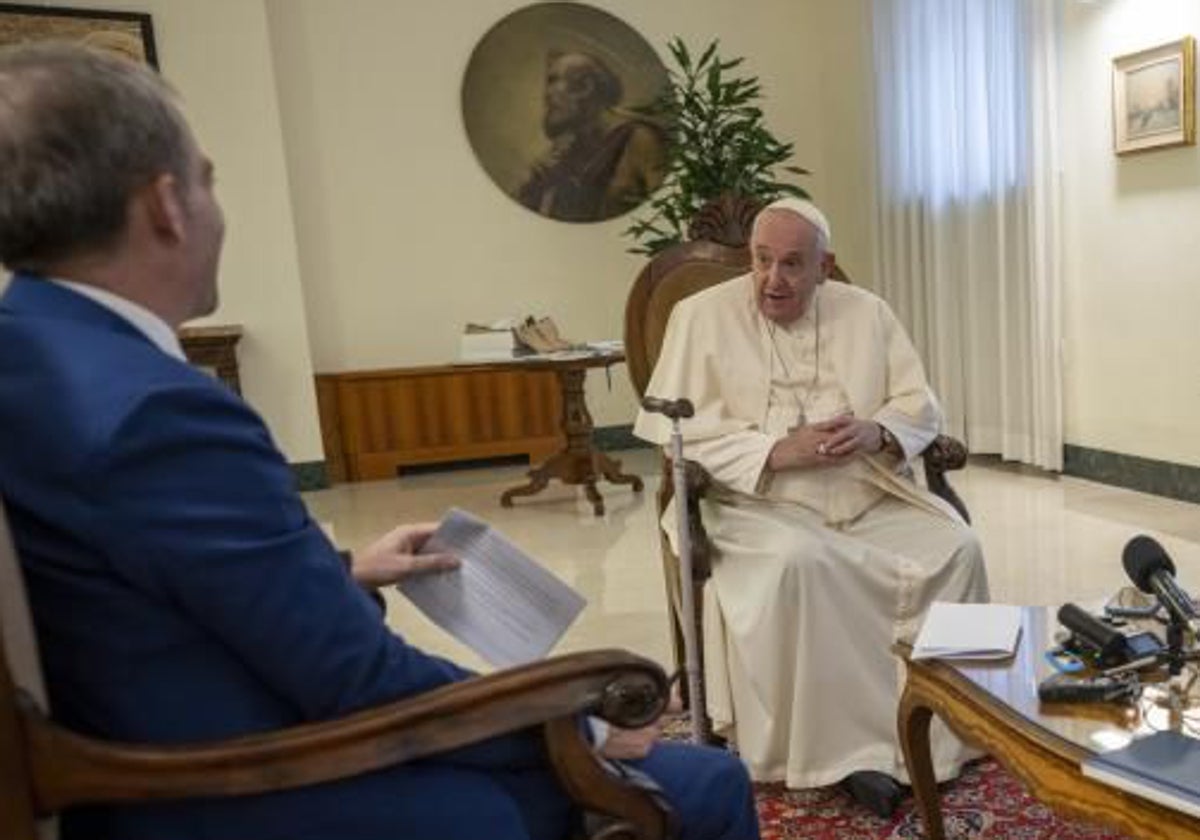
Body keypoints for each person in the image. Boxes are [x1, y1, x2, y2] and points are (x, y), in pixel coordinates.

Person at [0, 43, 759, 840]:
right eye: (208, 179)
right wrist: (581, 726)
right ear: (165, 205)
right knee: (702, 780)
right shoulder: (159, 411)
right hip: (245, 785)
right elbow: (359, 683)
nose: (216, 207)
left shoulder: (30, 352)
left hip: (133, 742)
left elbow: (132, 571)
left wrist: (339, 572)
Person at [633, 197, 989, 818]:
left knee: (957, 547)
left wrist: (878, 432)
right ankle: (843, 755)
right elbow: (677, 435)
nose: (773, 280)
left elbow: (920, 405)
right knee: (804, 564)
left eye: (793, 265)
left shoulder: (867, 312)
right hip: (755, 504)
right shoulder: (700, 317)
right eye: (762, 261)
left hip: (867, 492)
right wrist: (773, 452)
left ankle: (949, 730)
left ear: (825, 267)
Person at [517, 49, 666, 222]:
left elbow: (668, 214)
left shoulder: (642, 141)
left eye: (553, 80)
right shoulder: (565, 155)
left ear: (585, 87)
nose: (546, 94)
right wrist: (532, 186)